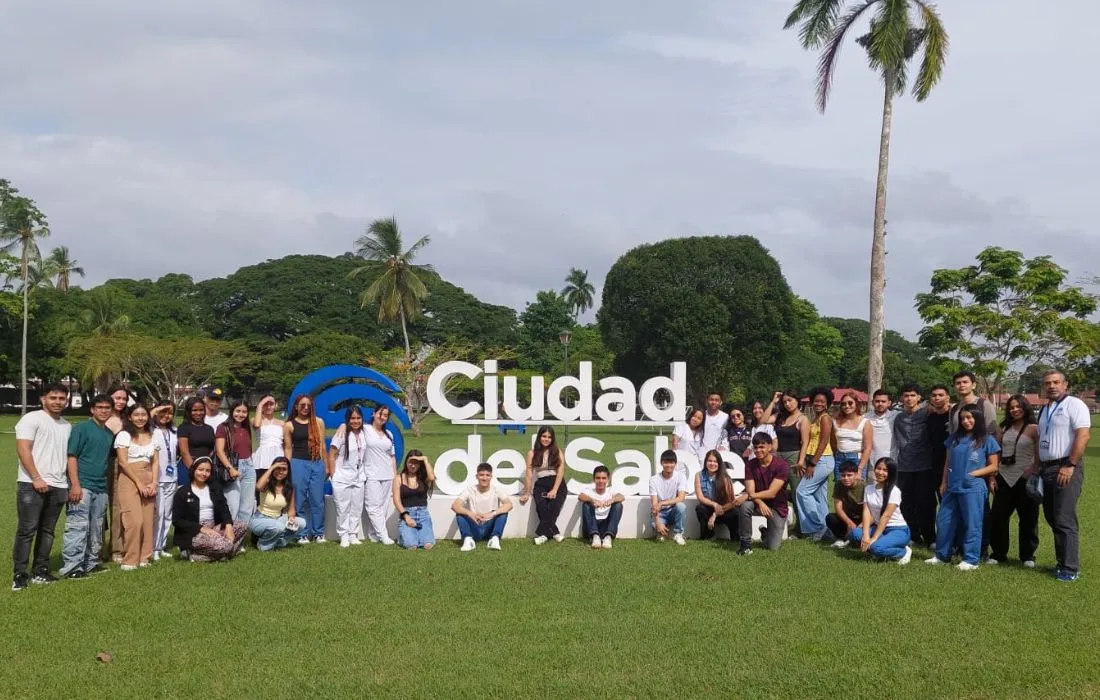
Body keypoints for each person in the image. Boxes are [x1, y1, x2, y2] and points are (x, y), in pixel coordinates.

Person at [11, 383, 71, 590]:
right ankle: (20, 574)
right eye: (53, 398)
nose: (57, 402)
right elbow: (23, 449)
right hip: (32, 483)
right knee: (27, 530)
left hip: (58, 484)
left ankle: (40, 571)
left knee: (48, 531)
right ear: (43, 399)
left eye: (61, 398)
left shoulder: (66, 425)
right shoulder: (32, 419)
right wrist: (36, 477)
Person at [926, 406, 1000, 570]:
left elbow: (994, 466)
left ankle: (971, 560)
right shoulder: (954, 439)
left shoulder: (987, 439)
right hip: (952, 487)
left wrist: (974, 474)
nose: (966, 421)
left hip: (973, 488)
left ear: (977, 418)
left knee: (972, 524)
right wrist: (944, 482)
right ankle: (942, 555)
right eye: (963, 418)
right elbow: (947, 462)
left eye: (969, 417)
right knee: (944, 521)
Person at [1035, 369, 1091, 582]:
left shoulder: (1074, 404)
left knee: (1064, 518)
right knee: (1052, 517)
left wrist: (1070, 464)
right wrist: (1037, 466)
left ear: (1065, 384)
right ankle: (1061, 563)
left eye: (1056, 382)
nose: (1051, 386)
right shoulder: (1045, 409)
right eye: (1047, 383)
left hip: (1065, 467)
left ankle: (1070, 568)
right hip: (1047, 469)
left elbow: (1083, 435)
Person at [59, 394, 114, 580]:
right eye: (100, 407)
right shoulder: (81, 428)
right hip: (82, 485)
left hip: (101, 487)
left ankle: (91, 562)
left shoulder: (108, 434)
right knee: (78, 526)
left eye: (107, 408)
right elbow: (71, 456)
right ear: (92, 409)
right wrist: (75, 484)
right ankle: (72, 566)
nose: (103, 411)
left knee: (96, 526)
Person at [988, 395, 1040, 567]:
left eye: (1018, 406)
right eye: (1011, 407)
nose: (1015, 410)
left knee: (1028, 519)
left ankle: (1028, 556)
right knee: (998, 517)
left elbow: (1039, 453)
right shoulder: (1003, 427)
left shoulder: (1034, 428)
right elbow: (996, 453)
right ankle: (998, 553)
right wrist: (992, 475)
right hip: (1004, 476)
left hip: (1025, 477)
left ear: (1025, 408)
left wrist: (1033, 469)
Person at [172, 456, 247, 562]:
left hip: (214, 528)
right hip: (194, 533)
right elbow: (177, 520)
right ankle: (194, 553)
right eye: (200, 470)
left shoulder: (215, 488)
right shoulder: (182, 492)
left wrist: (228, 525)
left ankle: (211, 553)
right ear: (193, 470)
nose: (204, 473)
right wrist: (201, 528)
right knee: (225, 545)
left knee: (242, 526)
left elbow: (224, 508)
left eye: (208, 471)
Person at [113, 404, 160, 570]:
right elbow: (123, 462)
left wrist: (153, 482)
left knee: (148, 521)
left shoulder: (153, 435)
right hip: (129, 478)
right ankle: (130, 559)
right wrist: (139, 483)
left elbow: (155, 462)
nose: (140, 418)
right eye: (136, 415)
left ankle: (144, 557)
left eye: (143, 414)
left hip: (149, 476)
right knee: (134, 521)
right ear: (130, 417)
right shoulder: (124, 435)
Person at [892, 384, 937, 548]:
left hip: (925, 466)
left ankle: (931, 538)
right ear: (901, 398)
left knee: (925, 503)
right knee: (906, 503)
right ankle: (914, 536)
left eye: (912, 395)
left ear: (919, 397)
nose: (909, 399)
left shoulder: (928, 413)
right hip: (904, 466)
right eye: (906, 395)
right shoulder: (899, 418)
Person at [761, 389, 808, 535]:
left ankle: (801, 527)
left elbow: (805, 442)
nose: (788, 404)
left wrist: (801, 461)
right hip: (779, 457)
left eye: (790, 400)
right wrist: (773, 401)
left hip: (794, 457)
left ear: (797, 400)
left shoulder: (803, 419)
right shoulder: (780, 417)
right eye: (785, 401)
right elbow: (763, 420)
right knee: (777, 491)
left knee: (796, 492)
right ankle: (777, 523)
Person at [283, 394, 329, 543]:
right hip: (298, 463)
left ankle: (318, 533)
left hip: (317, 463)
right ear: (296, 407)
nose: (305, 407)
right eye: (302, 405)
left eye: (308, 405)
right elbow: (288, 448)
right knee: (299, 500)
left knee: (317, 500)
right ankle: (301, 533)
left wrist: (326, 465)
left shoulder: (318, 422)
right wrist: (287, 467)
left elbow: (322, 445)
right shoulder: (289, 425)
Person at [850, 458, 913, 564]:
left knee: (875, 548)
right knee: (855, 534)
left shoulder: (894, 491)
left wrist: (874, 538)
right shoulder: (869, 489)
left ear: (891, 473)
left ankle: (904, 551)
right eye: (878, 468)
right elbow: (866, 512)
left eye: (885, 470)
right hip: (879, 528)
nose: (880, 472)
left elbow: (886, 516)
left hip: (898, 530)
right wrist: (866, 536)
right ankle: (881, 547)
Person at [736, 433, 790, 555]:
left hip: (777, 507)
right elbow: (750, 490)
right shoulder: (750, 465)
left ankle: (765, 533)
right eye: (755, 447)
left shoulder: (782, 465)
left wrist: (747, 495)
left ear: (770, 447)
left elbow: (772, 493)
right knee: (745, 506)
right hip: (757, 504)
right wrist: (759, 502)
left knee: (772, 547)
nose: (758, 450)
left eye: (762, 447)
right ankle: (745, 544)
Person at [796, 387, 835, 541]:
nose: (818, 404)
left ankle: (816, 527)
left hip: (822, 460)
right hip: (815, 459)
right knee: (820, 496)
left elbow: (824, 442)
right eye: (816, 401)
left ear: (827, 404)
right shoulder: (815, 418)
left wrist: (812, 464)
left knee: (802, 491)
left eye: (822, 402)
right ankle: (828, 530)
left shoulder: (825, 418)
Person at [520, 426, 568, 545]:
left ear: (552, 439)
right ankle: (554, 532)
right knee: (541, 507)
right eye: (544, 436)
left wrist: (555, 489)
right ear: (539, 437)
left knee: (554, 506)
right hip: (541, 484)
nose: (546, 439)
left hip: (557, 483)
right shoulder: (532, 453)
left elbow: (561, 471)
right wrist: (527, 492)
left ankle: (543, 534)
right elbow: (529, 474)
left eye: (549, 437)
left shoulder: (557, 451)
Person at [451, 462, 513, 551]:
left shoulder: (496, 490)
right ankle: (468, 540)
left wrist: (491, 514)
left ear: (491, 477)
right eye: (481, 475)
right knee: (460, 514)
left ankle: (494, 539)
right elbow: (455, 505)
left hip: (490, 527)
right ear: (477, 476)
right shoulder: (470, 490)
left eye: (487, 475)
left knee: (503, 513)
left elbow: (509, 504)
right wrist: (470, 514)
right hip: (475, 526)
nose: (484, 478)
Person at [329, 406, 368, 547]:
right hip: (342, 477)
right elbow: (332, 454)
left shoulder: (364, 432)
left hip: (359, 476)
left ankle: (353, 534)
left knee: (356, 508)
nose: (355, 421)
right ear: (347, 419)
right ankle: (343, 535)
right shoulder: (341, 433)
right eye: (352, 418)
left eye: (358, 418)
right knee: (343, 508)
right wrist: (333, 475)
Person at [249, 457, 305, 552]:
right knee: (279, 526)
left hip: (278, 518)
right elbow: (258, 486)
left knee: (301, 523)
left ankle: (277, 543)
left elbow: (291, 510)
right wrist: (272, 468)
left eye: (284, 469)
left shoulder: (289, 488)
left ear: (288, 471)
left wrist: (291, 518)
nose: (280, 472)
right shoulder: (267, 483)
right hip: (260, 519)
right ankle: (263, 545)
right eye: (278, 468)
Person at [214, 399, 256, 524]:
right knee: (233, 505)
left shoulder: (245, 428)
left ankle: (241, 533)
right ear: (232, 411)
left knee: (247, 506)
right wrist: (230, 468)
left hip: (248, 466)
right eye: (238, 411)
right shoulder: (223, 427)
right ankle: (230, 533)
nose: (241, 414)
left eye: (244, 412)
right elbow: (219, 451)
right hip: (232, 467)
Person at [362, 406, 398, 545]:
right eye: (380, 414)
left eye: (386, 415)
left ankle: (374, 534)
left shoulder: (389, 434)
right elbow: (349, 426)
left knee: (383, 507)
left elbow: (392, 456)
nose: (382, 417)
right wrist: (342, 427)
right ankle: (384, 535)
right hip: (371, 474)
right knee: (373, 506)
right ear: (374, 414)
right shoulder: (365, 429)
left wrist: (395, 476)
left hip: (387, 474)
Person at [694, 449, 743, 541]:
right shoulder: (699, 475)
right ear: (705, 462)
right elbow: (700, 497)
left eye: (715, 461)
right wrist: (714, 504)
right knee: (700, 508)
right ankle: (707, 535)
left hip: (724, 509)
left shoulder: (725, 477)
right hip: (709, 508)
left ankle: (735, 536)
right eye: (710, 461)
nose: (712, 464)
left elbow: (731, 502)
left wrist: (715, 514)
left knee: (735, 512)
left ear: (719, 463)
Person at [150, 401, 178, 561]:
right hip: (157, 478)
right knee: (158, 514)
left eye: (169, 413)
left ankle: (161, 546)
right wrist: (157, 409)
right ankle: (153, 548)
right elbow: (146, 417)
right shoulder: (150, 429)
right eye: (163, 412)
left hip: (172, 478)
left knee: (167, 514)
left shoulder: (174, 431)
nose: (166, 416)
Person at [393, 450, 437, 550]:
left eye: (416, 463)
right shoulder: (399, 478)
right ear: (406, 462)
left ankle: (417, 536)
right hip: (407, 514)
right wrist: (406, 517)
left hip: (423, 514)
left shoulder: (423, 477)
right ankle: (403, 537)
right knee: (411, 545)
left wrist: (425, 460)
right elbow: (396, 500)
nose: (413, 466)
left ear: (420, 464)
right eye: (410, 462)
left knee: (428, 545)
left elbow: (432, 477)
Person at [104, 385, 129, 564]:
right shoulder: (100, 418)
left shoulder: (127, 420)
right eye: (117, 397)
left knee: (118, 508)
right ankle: (97, 548)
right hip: (100, 465)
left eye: (124, 398)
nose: (121, 401)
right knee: (98, 509)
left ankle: (117, 549)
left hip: (119, 465)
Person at [578, 465, 625, 548]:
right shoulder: (589, 490)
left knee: (618, 505)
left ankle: (608, 537)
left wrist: (612, 500)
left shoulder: (611, 490)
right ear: (594, 479)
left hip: (606, 526)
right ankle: (595, 536)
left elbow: (622, 497)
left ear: (608, 479)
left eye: (603, 478)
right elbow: (581, 497)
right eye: (598, 478)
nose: (601, 481)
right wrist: (592, 500)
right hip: (590, 526)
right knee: (586, 504)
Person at [649, 449, 688, 545]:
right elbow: (654, 504)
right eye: (666, 462)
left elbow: (681, 497)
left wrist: (662, 503)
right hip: (661, 512)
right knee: (654, 524)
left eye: (671, 462)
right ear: (661, 463)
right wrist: (658, 522)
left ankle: (678, 534)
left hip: (673, 510)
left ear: (675, 464)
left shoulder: (681, 476)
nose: (668, 465)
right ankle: (660, 532)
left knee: (681, 506)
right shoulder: (654, 480)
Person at [826, 461, 865, 548]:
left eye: (849, 475)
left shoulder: (864, 487)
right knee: (830, 518)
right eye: (843, 475)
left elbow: (869, 511)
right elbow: (838, 508)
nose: (846, 478)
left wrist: (861, 525)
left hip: (863, 518)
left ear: (856, 475)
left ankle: (857, 538)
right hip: (848, 517)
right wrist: (849, 523)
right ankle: (841, 539)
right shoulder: (839, 484)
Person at [832, 391, 871, 477]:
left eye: (850, 403)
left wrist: (860, 468)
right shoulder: (835, 422)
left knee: (857, 485)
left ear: (856, 403)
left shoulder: (865, 422)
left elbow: (868, 448)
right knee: (840, 484)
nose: (847, 406)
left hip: (857, 459)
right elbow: (833, 443)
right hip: (839, 458)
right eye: (843, 404)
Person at [177, 397, 216, 483]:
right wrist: (195, 471)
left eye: (201, 410)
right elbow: (184, 453)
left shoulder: (209, 428)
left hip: (205, 470)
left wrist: (205, 470)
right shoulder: (184, 428)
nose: (198, 413)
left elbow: (212, 450)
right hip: (188, 468)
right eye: (194, 410)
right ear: (189, 411)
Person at [949, 371, 999, 437]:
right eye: (958, 383)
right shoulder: (954, 409)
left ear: (973, 385)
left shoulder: (985, 405)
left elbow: (991, 431)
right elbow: (952, 433)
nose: (962, 385)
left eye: (965, 382)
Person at [926, 384, 953, 500]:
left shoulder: (955, 416)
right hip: (934, 466)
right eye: (934, 395)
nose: (937, 398)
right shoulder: (930, 417)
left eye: (941, 395)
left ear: (948, 397)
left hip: (951, 465)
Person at [251, 394, 285, 484]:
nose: (268, 407)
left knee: (278, 486)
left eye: (271, 404)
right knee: (260, 485)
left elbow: (285, 443)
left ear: (275, 405)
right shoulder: (255, 420)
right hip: (262, 457)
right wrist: (260, 405)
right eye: (265, 404)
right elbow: (256, 425)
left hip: (278, 455)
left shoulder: (282, 423)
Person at [864, 389, 897, 479]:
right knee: (873, 487)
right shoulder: (865, 418)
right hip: (872, 463)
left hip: (892, 461)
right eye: (877, 401)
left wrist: (930, 407)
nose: (880, 404)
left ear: (889, 403)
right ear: (872, 402)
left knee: (891, 486)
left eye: (883, 401)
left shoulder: (896, 415)